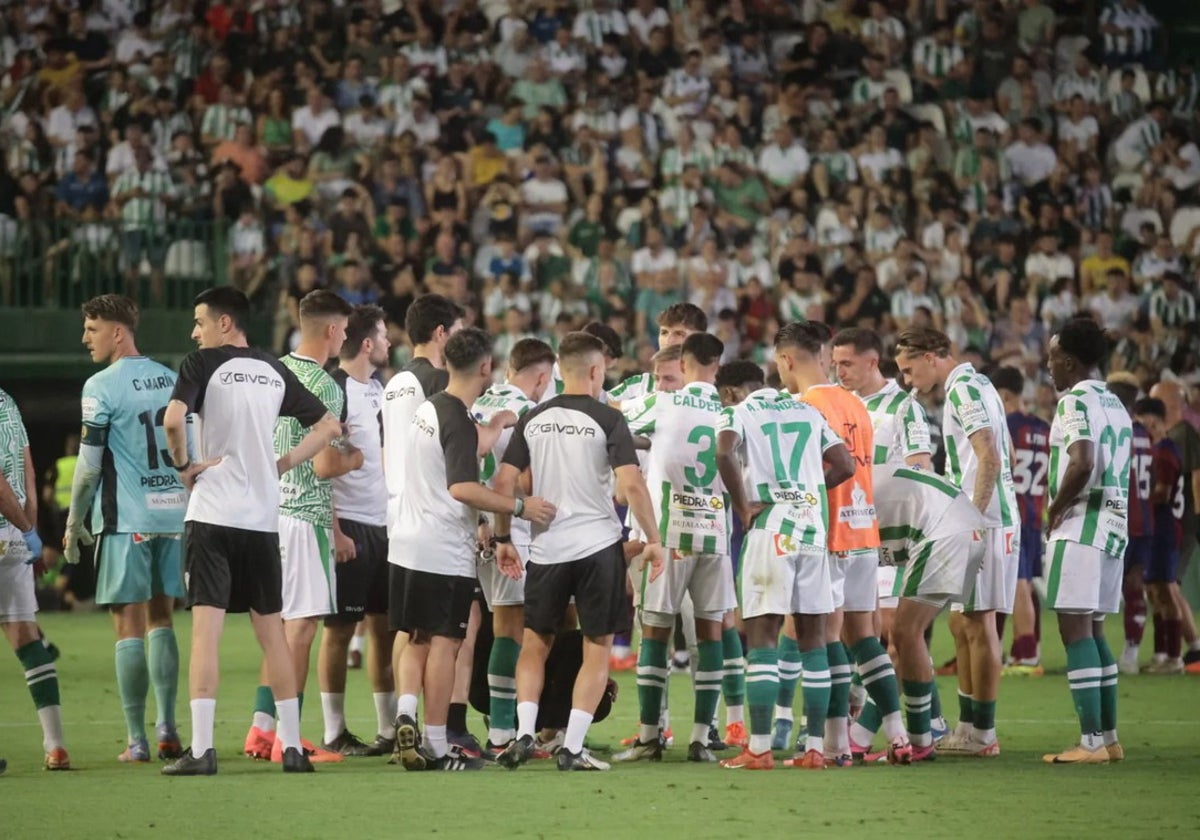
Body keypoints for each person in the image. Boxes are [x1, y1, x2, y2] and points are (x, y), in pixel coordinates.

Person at [161, 287, 342, 776]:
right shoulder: (273, 368)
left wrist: (184, 466)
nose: (194, 332)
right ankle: (291, 748)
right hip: (263, 520)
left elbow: (173, 419)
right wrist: (278, 464)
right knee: (274, 636)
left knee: (207, 634)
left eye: (200, 322)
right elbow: (328, 426)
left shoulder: (201, 364)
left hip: (214, 513)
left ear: (224, 323)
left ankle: (202, 750)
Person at [494, 331, 666, 772]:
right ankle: (571, 746)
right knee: (597, 647)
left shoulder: (533, 417)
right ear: (594, 371)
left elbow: (504, 481)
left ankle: (525, 734)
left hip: (547, 548)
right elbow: (631, 485)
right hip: (596, 547)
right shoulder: (609, 420)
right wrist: (654, 538)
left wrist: (504, 535)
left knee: (534, 644)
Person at [390, 328, 556, 771]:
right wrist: (520, 507)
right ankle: (439, 746)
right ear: (486, 368)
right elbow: (463, 486)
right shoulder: (459, 421)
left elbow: (462, 445)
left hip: (405, 543)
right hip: (441, 548)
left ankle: (406, 712)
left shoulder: (432, 408)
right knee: (447, 643)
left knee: (417, 639)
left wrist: (496, 425)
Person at [715, 354, 855, 770]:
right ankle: (814, 749)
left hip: (771, 529)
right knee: (813, 641)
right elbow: (845, 465)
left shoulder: (737, 411)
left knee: (762, 638)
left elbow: (724, 453)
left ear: (731, 391)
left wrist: (742, 505)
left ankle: (758, 749)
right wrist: (810, 488)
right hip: (812, 531)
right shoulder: (806, 410)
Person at [63, 294, 186, 763]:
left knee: (126, 625)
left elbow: (90, 466)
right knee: (163, 618)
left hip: (125, 520)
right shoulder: (172, 379)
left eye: (91, 329)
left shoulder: (100, 385)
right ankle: (169, 730)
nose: (85, 338)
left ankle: (136, 739)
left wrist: (75, 521)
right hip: (172, 515)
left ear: (118, 332)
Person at [775, 322, 904, 766]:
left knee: (826, 638)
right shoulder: (856, 403)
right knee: (864, 638)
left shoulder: (803, 406)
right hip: (865, 529)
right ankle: (899, 735)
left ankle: (833, 746)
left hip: (828, 535)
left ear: (788, 360)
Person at [244, 290, 362, 765]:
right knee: (301, 629)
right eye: (345, 330)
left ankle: (262, 728)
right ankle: (287, 740)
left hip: (269, 513)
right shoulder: (327, 385)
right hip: (303, 514)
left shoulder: (273, 371)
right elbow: (324, 466)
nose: (346, 338)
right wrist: (355, 458)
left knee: (280, 627)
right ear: (332, 330)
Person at [613, 332, 737, 764]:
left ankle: (650, 737)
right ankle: (702, 739)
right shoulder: (728, 410)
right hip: (716, 535)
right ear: (716, 367)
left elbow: (615, 414)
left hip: (669, 535)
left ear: (683, 365)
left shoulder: (664, 403)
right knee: (711, 635)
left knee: (655, 633)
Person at [894, 326, 1018, 757]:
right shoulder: (979, 385)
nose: (909, 381)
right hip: (988, 516)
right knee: (962, 622)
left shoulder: (964, 390)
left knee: (979, 623)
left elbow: (990, 455)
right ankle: (968, 727)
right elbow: (1007, 453)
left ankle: (982, 733)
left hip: (985, 520)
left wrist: (973, 516)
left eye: (910, 370)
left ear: (933, 356)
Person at [829, 326, 944, 752]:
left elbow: (921, 469)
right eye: (835, 362)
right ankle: (930, 718)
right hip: (853, 534)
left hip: (895, 540)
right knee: (857, 633)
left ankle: (865, 733)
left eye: (847, 363)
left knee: (894, 634)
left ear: (872, 362)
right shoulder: (838, 405)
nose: (839, 370)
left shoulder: (903, 408)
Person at [1042, 317, 1129, 764]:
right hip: (1114, 526)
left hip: (1081, 526)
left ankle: (1090, 742)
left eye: (1053, 357)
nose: (1049, 366)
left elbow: (1081, 461)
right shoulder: (1115, 403)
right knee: (1094, 630)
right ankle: (1109, 739)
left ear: (1070, 361)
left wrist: (1055, 508)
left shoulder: (1073, 402)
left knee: (1074, 628)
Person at [471, 337, 557, 754]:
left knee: (494, 627)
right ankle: (503, 732)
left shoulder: (479, 402)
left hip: (475, 525)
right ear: (542, 377)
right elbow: (523, 480)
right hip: (511, 528)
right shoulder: (530, 412)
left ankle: (501, 726)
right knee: (510, 630)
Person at [318, 305, 396, 756]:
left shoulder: (380, 389)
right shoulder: (336, 389)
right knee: (340, 629)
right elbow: (323, 466)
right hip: (349, 524)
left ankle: (388, 729)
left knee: (384, 630)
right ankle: (334, 730)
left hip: (384, 525)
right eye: (383, 336)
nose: (388, 343)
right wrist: (335, 530)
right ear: (367, 343)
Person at [874, 463, 987, 763]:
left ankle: (920, 738)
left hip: (945, 530)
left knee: (905, 632)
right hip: (965, 525)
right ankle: (923, 732)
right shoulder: (861, 483)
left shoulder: (839, 503)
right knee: (907, 635)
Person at [0, 389, 69, 771]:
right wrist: (29, 530)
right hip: (12, 537)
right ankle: (56, 744)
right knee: (27, 637)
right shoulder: (7, 401)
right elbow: (27, 468)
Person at [992, 366, 1050, 674]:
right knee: (1021, 583)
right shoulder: (1043, 427)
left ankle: (1027, 654)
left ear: (1003, 395)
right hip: (1034, 511)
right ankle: (1025, 647)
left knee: (1018, 584)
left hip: (1012, 511)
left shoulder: (1006, 426)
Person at [1147, 380, 1200, 673]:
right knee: (1165, 587)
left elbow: (1195, 477)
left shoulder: (1183, 435)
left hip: (1182, 522)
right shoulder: (1172, 437)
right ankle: (1181, 650)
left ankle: (1188, 649)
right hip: (1173, 522)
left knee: (1168, 586)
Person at [1133, 398, 1187, 674]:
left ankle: (1175, 657)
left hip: (1165, 529)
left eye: (1142, 422)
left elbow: (1163, 493)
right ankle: (1161, 653)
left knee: (1165, 592)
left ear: (1152, 420)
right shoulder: (1159, 449)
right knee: (1154, 592)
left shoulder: (1164, 451)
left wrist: (1140, 501)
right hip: (1157, 529)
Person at [1106, 373, 1153, 675]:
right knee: (1135, 588)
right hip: (1145, 521)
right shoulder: (1145, 433)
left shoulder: (1115, 430)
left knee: (1102, 587)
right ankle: (1130, 655)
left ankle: (1096, 656)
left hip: (1119, 518)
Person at [609, 302, 708, 404]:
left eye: (679, 334)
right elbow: (600, 407)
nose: (669, 341)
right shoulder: (640, 385)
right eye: (664, 333)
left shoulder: (712, 391)